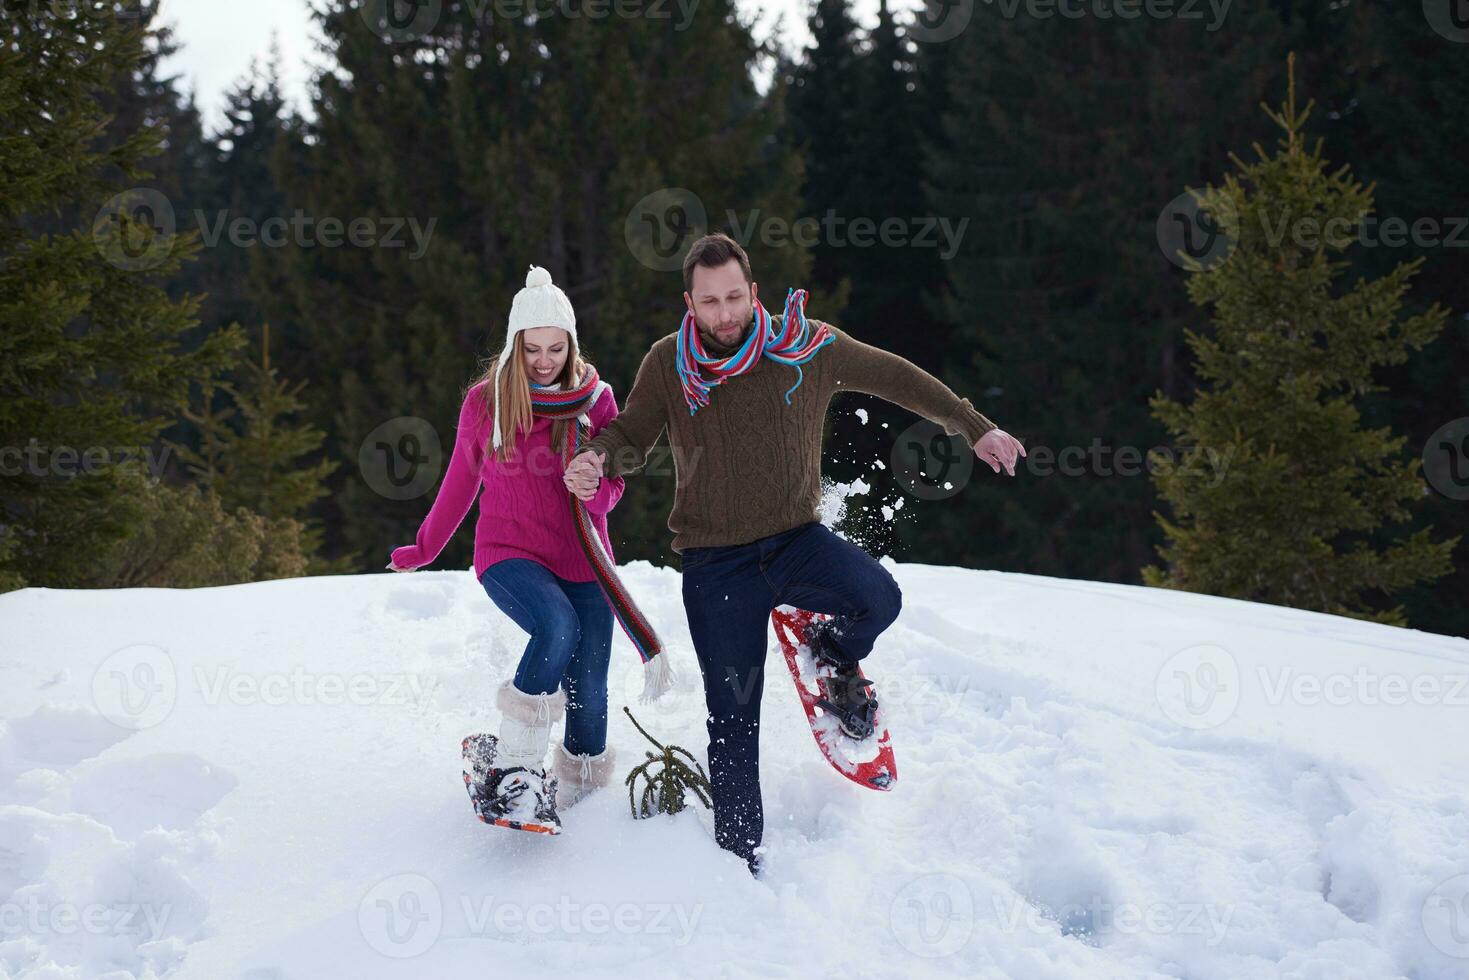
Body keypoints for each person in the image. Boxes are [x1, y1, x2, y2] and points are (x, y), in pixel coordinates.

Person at [563, 233, 1024, 871]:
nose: (723, 314)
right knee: (733, 715)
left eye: (733, 298)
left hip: (796, 543)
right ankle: (739, 858)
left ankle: (833, 653)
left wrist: (974, 427)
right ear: (689, 304)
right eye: (708, 302)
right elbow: (631, 435)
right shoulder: (669, 363)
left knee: (878, 598)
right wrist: (595, 458)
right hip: (714, 564)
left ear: (754, 294)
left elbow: (896, 376)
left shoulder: (808, 348)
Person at [389, 265, 668, 835]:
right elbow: (460, 483)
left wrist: (596, 486)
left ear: (571, 345)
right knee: (555, 627)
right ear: (516, 346)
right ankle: (514, 772)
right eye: (533, 348)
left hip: (586, 559)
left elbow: (612, 489)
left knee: (590, 682)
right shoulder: (485, 403)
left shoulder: (598, 402)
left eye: (555, 347)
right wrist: (424, 547)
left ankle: (584, 799)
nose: (544, 360)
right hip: (509, 553)